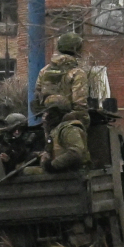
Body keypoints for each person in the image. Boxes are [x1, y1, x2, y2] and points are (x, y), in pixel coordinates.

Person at [34, 32, 91, 172]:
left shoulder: (44, 71)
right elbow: (80, 103)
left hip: (48, 120)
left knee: (51, 152)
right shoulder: (77, 73)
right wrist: (82, 121)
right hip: (68, 121)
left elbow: (38, 97)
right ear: (77, 49)